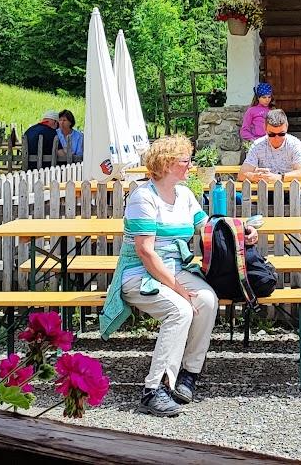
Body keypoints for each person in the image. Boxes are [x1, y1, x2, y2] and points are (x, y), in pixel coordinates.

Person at [101, 135, 250, 416]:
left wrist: (241, 229)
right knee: (181, 310)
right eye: (185, 160)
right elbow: (145, 252)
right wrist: (179, 290)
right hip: (139, 273)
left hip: (175, 269)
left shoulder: (184, 194)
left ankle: (188, 375)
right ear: (168, 164)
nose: (190, 165)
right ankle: (153, 390)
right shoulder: (143, 196)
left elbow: (206, 226)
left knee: (206, 299)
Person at [238, 109, 301, 182]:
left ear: (286, 127)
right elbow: (242, 175)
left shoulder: (294, 144)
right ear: (265, 129)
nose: (277, 138)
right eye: (272, 134)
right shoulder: (257, 145)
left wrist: (278, 177)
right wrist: (254, 176)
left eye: (281, 134)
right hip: (266, 191)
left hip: (291, 190)